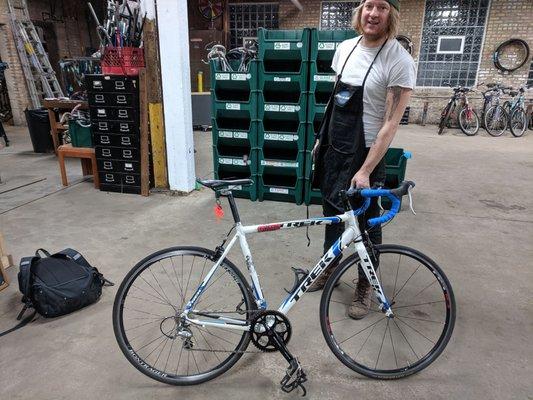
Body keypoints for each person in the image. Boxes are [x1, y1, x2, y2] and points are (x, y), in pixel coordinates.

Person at [308, 0, 416, 320]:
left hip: (367, 152)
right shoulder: (345, 48)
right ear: (360, 11)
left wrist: (366, 169)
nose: (373, 13)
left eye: (382, 7)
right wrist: (320, 139)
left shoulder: (398, 60)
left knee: (366, 224)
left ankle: (365, 283)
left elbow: (391, 122)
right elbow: (336, 101)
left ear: (390, 15)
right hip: (335, 145)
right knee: (333, 215)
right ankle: (330, 267)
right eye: (369, 5)